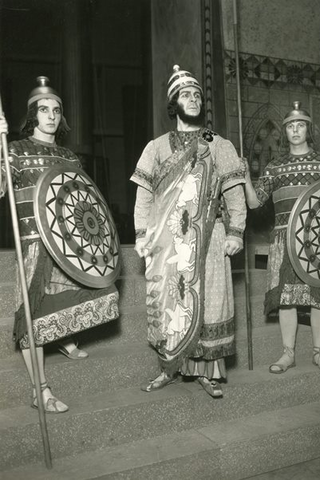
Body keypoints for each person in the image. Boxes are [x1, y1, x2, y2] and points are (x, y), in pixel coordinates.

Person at [0, 76, 119, 412]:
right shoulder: (17, 150)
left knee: (92, 286)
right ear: (32, 116)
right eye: (43, 110)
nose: (51, 116)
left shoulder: (69, 155)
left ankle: (64, 337)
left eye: (56, 110)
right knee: (32, 309)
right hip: (36, 240)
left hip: (72, 243)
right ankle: (41, 389)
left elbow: (84, 201)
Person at [131, 65, 246, 397]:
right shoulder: (156, 148)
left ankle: (207, 372)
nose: (193, 99)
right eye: (186, 95)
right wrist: (141, 236)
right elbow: (144, 196)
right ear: (174, 104)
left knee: (208, 304)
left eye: (197, 95)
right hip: (170, 241)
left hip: (210, 239)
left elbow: (235, 192)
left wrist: (236, 231)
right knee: (171, 305)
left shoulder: (219, 145)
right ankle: (169, 368)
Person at [244, 101, 320, 374]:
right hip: (284, 240)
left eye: (300, 125)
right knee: (286, 297)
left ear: (308, 129)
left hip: (319, 239)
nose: (295, 130)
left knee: (318, 295)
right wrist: (244, 178)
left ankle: (319, 353)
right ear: (284, 132)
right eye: (290, 126)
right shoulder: (275, 168)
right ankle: (288, 354)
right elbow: (254, 203)